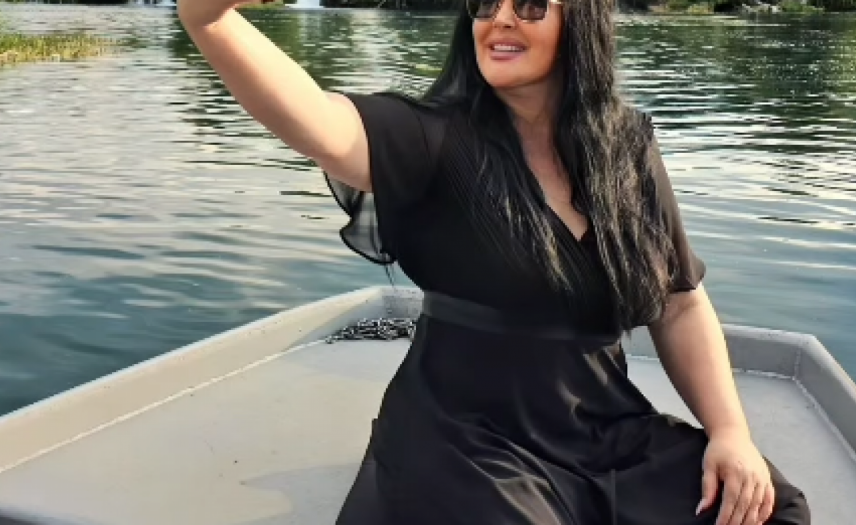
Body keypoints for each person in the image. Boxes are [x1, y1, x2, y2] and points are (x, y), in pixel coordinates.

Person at [177, 0, 811, 523]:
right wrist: (207, 17)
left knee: (770, 508)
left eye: (530, 5)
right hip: (466, 437)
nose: (500, 18)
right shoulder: (432, 136)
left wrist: (729, 432)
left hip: (604, 430)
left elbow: (678, 302)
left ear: (581, 21)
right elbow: (319, 121)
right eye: (485, 4)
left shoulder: (623, 145)